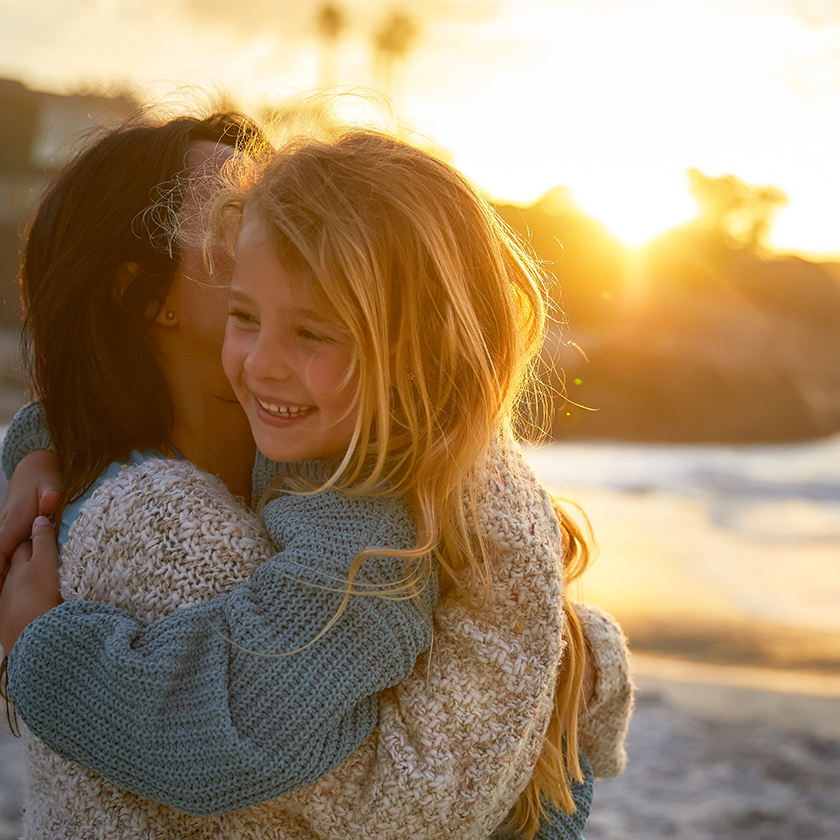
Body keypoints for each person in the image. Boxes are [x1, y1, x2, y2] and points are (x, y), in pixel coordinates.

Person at [0, 119, 632, 839]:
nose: (262, 216)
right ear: (144, 294)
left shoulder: (339, 478)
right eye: (227, 210)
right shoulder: (167, 520)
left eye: (312, 327)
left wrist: (38, 643)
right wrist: (37, 452)